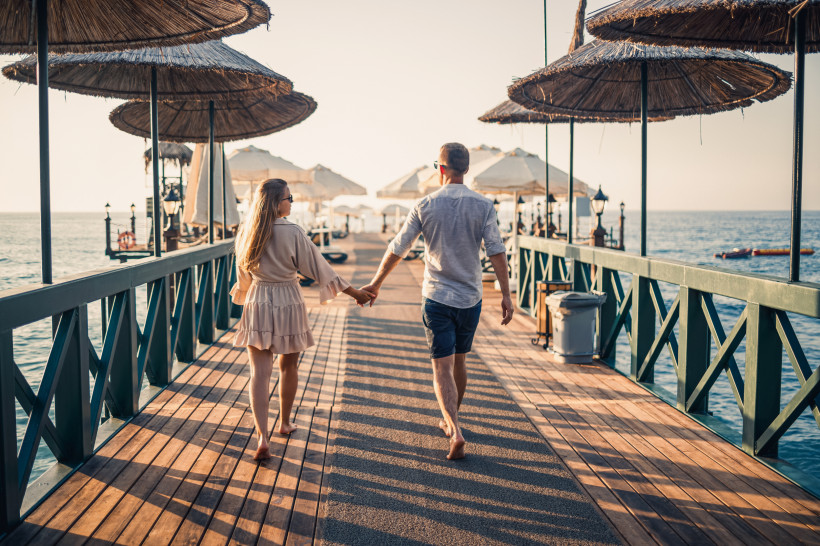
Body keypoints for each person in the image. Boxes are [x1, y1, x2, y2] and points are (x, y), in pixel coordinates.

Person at [363, 143, 513, 460]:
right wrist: (506, 295)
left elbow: (398, 247)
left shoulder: (426, 204)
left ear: (440, 169)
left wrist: (376, 283)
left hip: (437, 297)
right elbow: (496, 250)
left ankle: (454, 429)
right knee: (459, 361)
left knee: (441, 368)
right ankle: (451, 421)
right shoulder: (484, 205)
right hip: (470, 299)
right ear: (466, 170)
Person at [231, 179, 373, 460]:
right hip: (288, 301)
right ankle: (284, 423)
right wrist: (356, 292)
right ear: (276, 202)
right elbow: (322, 270)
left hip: (258, 301)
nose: (292, 202)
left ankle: (262, 437)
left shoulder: (247, 231)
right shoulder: (293, 231)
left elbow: (243, 276)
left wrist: (247, 295)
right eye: (289, 197)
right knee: (288, 366)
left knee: (259, 374)